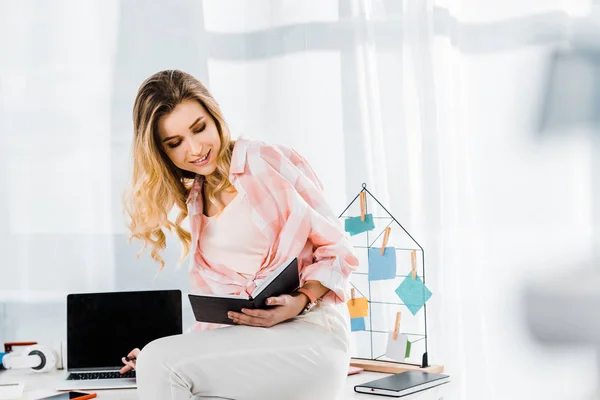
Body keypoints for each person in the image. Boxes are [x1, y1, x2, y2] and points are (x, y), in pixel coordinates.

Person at [121, 69, 359, 400]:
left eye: (199, 128)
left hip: (311, 333)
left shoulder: (265, 161)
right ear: (162, 152)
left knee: (162, 361)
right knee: (157, 362)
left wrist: (299, 301)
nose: (195, 149)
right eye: (175, 143)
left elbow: (337, 247)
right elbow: (221, 319)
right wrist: (166, 357)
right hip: (257, 343)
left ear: (214, 115)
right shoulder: (195, 203)